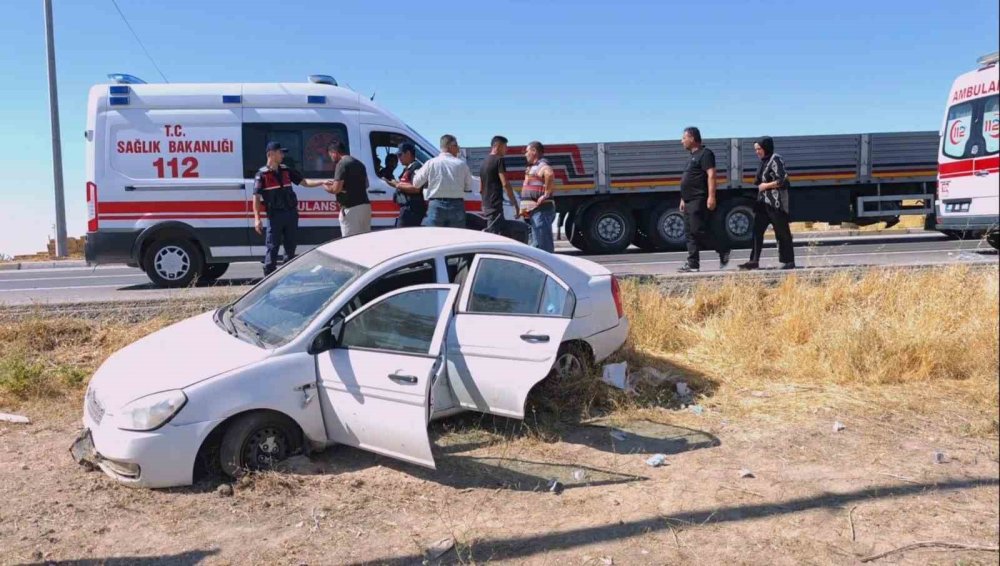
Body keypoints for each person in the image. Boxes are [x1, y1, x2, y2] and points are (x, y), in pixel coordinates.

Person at [253, 141, 335, 276]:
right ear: (271, 154)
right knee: (272, 247)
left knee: (290, 247)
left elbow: (304, 182)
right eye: (280, 152)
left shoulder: (286, 170)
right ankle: (268, 277)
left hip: (291, 214)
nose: (282, 155)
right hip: (275, 216)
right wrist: (257, 218)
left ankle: (287, 277)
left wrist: (322, 182)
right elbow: (256, 197)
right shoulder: (261, 175)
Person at [678, 126, 730, 272]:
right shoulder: (691, 156)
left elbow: (711, 175)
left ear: (692, 138)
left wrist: (711, 196)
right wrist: (683, 198)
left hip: (698, 198)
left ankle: (723, 249)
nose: (682, 141)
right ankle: (693, 264)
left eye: (684, 138)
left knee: (697, 230)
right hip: (688, 200)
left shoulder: (705, 154)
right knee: (689, 233)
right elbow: (689, 179)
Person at [740, 136, 795, 270]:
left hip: (776, 204)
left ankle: (788, 261)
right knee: (756, 231)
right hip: (763, 204)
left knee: (782, 232)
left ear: (766, 148)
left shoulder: (775, 159)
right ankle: (754, 260)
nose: (757, 152)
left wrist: (766, 186)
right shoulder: (763, 162)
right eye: (756, 149)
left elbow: (783, 180)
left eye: (759, 149)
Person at [412, 134, 472, 228]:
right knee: (456, 236)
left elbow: (416, 183)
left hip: (436, 206)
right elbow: (468, 187)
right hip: (456, 206)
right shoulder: (462, 165)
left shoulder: (431, 163)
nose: (458, 150)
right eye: (456, 146)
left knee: (434, 235)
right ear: (450, 147)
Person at [324, 141, 372, 237]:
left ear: (334, 152)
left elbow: (336, 189)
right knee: (364, 240)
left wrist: (326, 187)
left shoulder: (341, 164)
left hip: (351, 209)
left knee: (349, 241)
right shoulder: (359, 163)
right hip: (365, 207)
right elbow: (366, 184)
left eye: (330, 155)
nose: (331, 158)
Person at [520, 141, 557, 252]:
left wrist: (546, 194)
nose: (525, 154)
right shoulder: (533, 167)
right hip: (534, 211)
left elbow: (549, 174)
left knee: (544, 246)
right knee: (536, 247)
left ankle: (549, 262)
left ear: (534, 151)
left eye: (527, 151)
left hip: (540, 211)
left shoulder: (541, 164)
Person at [479, 135, 518, 234]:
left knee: (496, 230)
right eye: (505, 146)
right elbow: (505, 183)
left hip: (486, 204)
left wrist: (483, 203)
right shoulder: (499, 160)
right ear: (498, 146)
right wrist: (515, 203)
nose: (506, 149)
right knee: (494, 234)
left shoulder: (484, 162)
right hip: (495, 204)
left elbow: (481, 186)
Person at [388, 142, 427, 227]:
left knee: (403, 233)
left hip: (412, 209)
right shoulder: (408, 168)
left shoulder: (416, 167)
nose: (399, 158)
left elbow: (416, 188)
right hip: (407, 209)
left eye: (400, 155)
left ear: (408, 153)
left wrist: (397, 185)